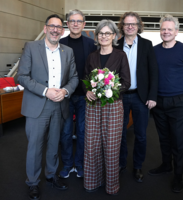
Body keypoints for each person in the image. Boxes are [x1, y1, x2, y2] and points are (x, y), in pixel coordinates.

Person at [17, 14, 79, 200]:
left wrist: (65, 92)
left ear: (62, 30)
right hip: (37, 105)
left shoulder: (67, 51)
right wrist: (45, 91)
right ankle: (33, 183)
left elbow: (74, 77)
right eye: (52, 26)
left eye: (59, 27)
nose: (55, 30)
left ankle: (51, 176)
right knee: (35, 146)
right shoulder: (31, 47)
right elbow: (21, 76)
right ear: (45, 28)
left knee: (54, 144)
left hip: (59, 105)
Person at [149, 14, 183, 193]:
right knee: (163, 138)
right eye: (163, 29)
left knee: (177, 141)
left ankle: (178, 176)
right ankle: (165, 165)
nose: (166, 32)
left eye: (170, 29)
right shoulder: (154, 51)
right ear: (160, 31)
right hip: (158, 103)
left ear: (176, 31)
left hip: (179, 103)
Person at [83, 20, 130, 195]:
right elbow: (85, 79)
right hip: (93, 105)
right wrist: (88, 90)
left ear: (114, 36)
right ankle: (92, 181)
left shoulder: (120, 56)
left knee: (111, 146)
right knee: (92, 144)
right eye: (101, 33)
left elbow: (126, 82)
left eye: (107, 33)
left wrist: (110, 90)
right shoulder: (91, 56)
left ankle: (111, 185)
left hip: (113, 105)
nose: (104, 36)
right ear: (97, 36)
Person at [116, 12, 158, 182]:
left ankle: (138, 165)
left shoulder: (147, 45)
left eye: (133, 24)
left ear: (139, 26)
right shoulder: (116, 44)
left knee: (140, 134)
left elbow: (154, 73)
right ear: (122, 26)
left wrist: (152, 96)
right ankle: (121, 163)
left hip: (141, 97)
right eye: (127, 24)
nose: (130, 26)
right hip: (120, 96)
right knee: (120, 133)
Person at [59, 9, 96, 178]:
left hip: (84, 96)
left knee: (82, 132)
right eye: (72, 21)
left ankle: (80, 164)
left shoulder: (91, 44)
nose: (75, 24)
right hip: (65, 96)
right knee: (66, 133)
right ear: (67, 24)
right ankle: (67, 164)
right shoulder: (60, 42)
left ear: (84, 24)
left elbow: (95, 69)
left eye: (78, 21)